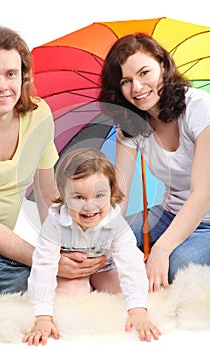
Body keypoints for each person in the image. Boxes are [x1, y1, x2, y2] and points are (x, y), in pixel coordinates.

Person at [98, 32, 210, 292]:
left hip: (206, 218)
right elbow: (120, 194)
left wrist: (161, 248)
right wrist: (105, 233)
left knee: (178, 264)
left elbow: (203, 194)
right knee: (101, 244)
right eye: (126, 81)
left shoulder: (200, 109)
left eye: (144, 73)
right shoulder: (131, 123)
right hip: (170, 213)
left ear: (163, 65)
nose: (136, 88)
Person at [22, 148, 161, 345]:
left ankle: (105, 289)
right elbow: (43, 265)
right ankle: (81, 290)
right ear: (63, 195)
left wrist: (138, 311)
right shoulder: (55, 223)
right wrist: (42, 317)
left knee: (128, 291)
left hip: (105, 266)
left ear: (112, 192)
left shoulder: (114, 221)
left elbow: (130, 261)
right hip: (71, 271)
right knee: (71, 302)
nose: (90, 206)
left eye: (99, 196)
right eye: (79, 197)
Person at [0, 25, 59, 302]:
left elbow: (49, 196)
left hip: (2, 246)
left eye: (10, 74)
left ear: (23, 77)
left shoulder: (39, 115)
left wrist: (58, 251)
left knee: (32, 290)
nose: (1, 85)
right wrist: (44, 260)